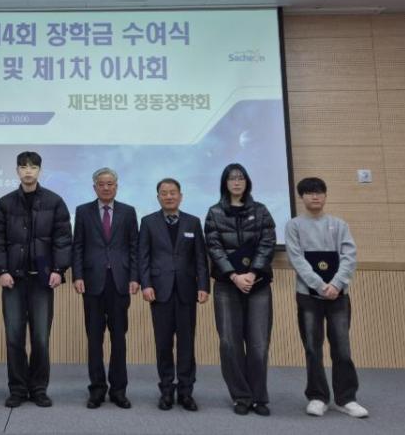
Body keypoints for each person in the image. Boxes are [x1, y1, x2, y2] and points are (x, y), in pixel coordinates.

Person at [0, 151, 72, 408]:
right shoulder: (4, 204)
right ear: (17, 171)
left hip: (42, 280)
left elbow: (63, 239)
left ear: (39, 171)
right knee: (14, 337)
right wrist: (1, 271)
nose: (28, 171)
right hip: (13, 280)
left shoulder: (55, 202)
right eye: (23, 167)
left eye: (33, 167)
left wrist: (59, 269)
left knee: (41, 339)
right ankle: (17, 389)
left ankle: (38, 389)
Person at [285, 177, 368, 418]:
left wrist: (336, 284)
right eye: (310, 192)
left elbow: (349, 256)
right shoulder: (294, 225)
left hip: (338, 296)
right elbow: (296, 258)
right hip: (308, 296)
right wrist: (320, 286)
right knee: (313, 348)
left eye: (319, 192)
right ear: (301, 197)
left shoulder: (339, 224)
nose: (315, 196)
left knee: (342, 348)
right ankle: (317, 397)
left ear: (325, 196)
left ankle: (346, 398)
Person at [204, 163, 276, 416]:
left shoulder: (261, 210)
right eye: (232, 178)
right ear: (225, 183)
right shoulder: (214, 212)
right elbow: (214, 247)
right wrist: (234, 276)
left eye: (241, 178)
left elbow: (268, 243)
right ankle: (241, 396)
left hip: (258, 285)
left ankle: (259, 397)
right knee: (229, 342)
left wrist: (252, 273)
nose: (236, 182)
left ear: (247, 182)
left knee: (259, 343)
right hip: (227, 285)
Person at [138, 178, 210, 411]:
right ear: (158, 197)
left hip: (187, 291)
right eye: (164, 193)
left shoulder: (193, 222)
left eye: (173, 192)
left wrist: (203, 286)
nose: (169, 196)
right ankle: (167, 390)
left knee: (187, 343)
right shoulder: (148, 222)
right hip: (159, 291)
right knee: (163, 344)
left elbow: (200, 258)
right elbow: (143, 257)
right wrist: (146, 284)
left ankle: (186, 392)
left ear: (180, 196)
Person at [72, 168, 139, 409]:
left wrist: (134, 277)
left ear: (116, 186)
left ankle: (119, 391)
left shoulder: (128, 212)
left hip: (120, 282)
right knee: (94, 339)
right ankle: (97, 389)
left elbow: (134, 247)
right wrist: (77, 275)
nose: (106, 187)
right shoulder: (83, 211)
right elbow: (78, 246)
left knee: (118, 338)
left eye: (110, 183)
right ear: (95, 187)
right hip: (92, 282)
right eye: (101, 184)